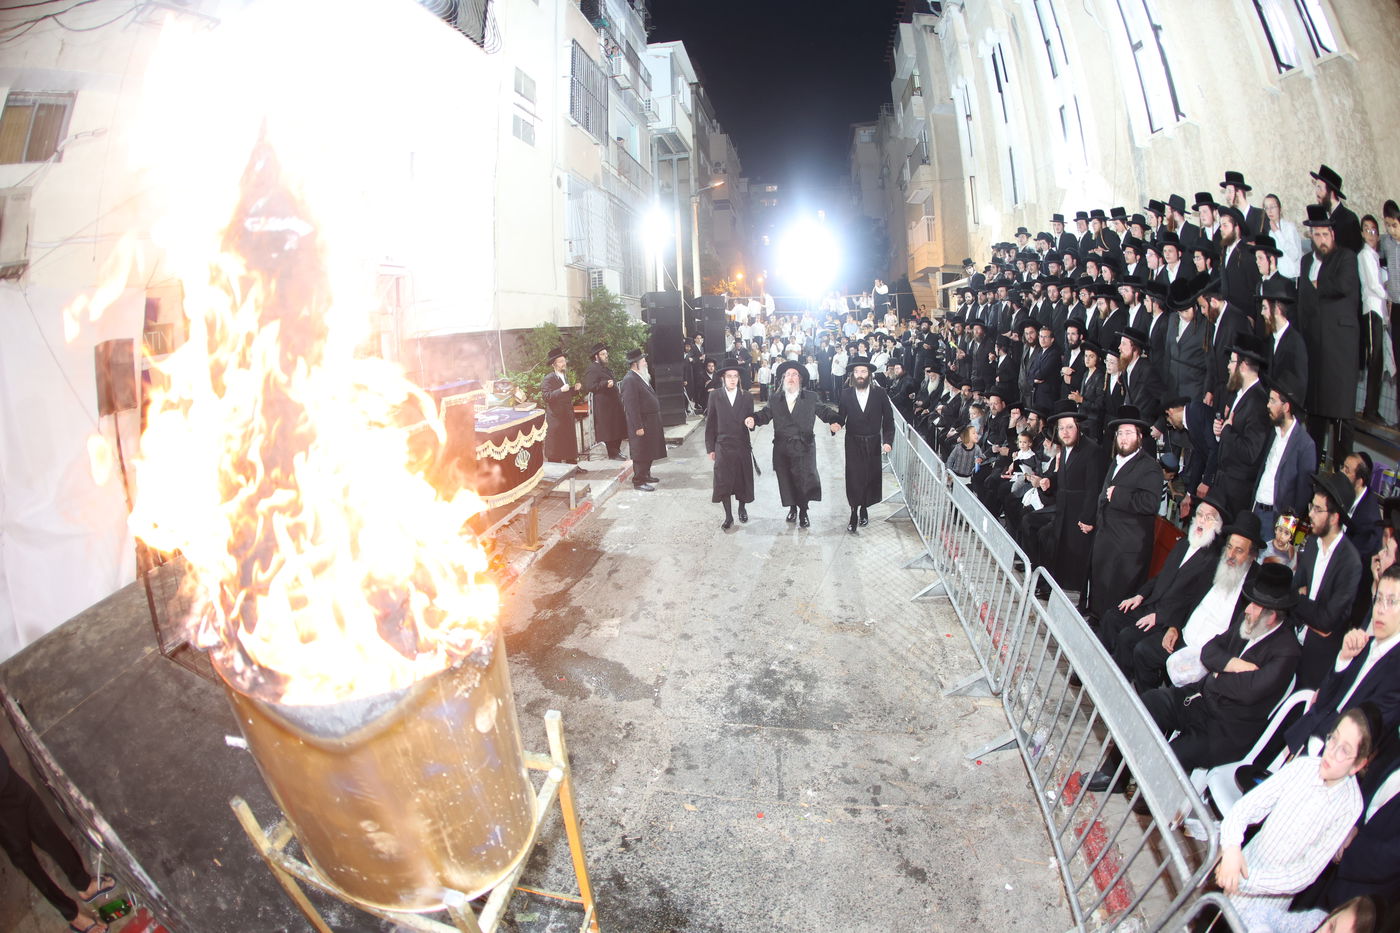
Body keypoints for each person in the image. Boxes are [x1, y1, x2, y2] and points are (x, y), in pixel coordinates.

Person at [1216, 706, 1375, 933]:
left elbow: (1303, 873)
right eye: (1333, 738)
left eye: (1344, 750)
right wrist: (1231, 848)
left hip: (1266, 904)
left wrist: (1243, 879)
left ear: (1358, 764)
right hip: (1237, 870)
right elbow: (1246, 807)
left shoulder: (1349, 807)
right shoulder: (1303, 767)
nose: (1331, 751)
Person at [1140, 561, 1302, 772]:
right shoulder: (1247, 623)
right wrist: (1231, 664)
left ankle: (1146, 800)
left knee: (1173, 756)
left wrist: (1217, 675)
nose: (1248, 609)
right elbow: (1210, 650)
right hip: (1199, 701)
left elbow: (1248, 692)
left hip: (1227, 729)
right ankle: (1116, 773)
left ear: (1271, 616)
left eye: (1255, 605)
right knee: (1149, 703)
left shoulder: (1287, 651)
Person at [1097, 493, 1225, 683]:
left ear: (1217, 525)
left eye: (1208, 518)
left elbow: (1193, 601)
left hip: (1169, 618)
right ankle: (1098, 667)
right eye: (1200, 515)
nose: (1201, 521)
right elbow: (1160, 578)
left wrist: (1162, 617)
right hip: (1151, 603)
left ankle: (1117, 683)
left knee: (1127, 636)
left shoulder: (1213, 560)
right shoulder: (1183, 543)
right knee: (1111, 617)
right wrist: (1139, 595)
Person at [0, 747, 113, 933]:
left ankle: (83, 884)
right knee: (25, 859)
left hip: (7, 777)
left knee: (47, 829)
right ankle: (72, 915)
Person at [1086, 406, 1165, 620]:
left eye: (1129, 433)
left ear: (1140, 437)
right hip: (1107, 537)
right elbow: (1104, 494)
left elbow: (1150, 503)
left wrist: (1118, 494)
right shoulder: (1117, 461)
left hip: (1127, 547)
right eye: (1120, 433)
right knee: (1100, 585)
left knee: (1117, 594)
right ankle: (1095, 617)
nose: (1123, 438)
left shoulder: (1149, 468)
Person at [1299, 203, 1361, 467]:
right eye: (1317, 236)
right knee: (1315, 417)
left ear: (1333, 235)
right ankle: (1312, 473)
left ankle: (1342, 476)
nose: (1321, 240)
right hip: (1315, 350)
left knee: (1341, 418)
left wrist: (1317, 285)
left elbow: (1344, 284)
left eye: (1325, 235)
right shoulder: (1307, 262)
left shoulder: (1346, 257)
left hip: (1338, 354)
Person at [749, 360, 839, 528]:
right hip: (782, 447)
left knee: (804, 480)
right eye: (788, 375)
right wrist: (753, 419)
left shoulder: (811, 398)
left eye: (795, 375)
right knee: (787, 480)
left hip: (804, 446)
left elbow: (824, 411)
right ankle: (792, 508)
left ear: (801, 379)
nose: (791, 378)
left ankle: (803, 511)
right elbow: (765, 414)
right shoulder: (776, 399)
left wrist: (835, 420)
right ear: (783, 379)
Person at [1294, 472, 1363, 688]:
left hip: (1318, 656)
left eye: (1317, 509)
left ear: (1334, 518)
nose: (1310, 514)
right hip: (1292, 638)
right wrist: (1308, 607)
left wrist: (1301, 601)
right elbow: (1293, 589)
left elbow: (1326, 621)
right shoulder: (1312, 542)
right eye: (1311, 506)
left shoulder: (1350, 563)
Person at [830, 356, 895, 534]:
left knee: (869, 477)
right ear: (853, 374)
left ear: (869, 374)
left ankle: (864, 507)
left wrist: (887, 441)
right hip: (853, 441)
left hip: (873, 441)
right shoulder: (846, 393)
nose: (860, 375)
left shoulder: (880, 393)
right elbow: (841, 417)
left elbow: (889, 420)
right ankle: (853, 512)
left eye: (863, 371)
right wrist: (836, 425)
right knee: (854, 477)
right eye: (857, 371)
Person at [705, 358, 756, 531]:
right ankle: (728, 516)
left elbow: (752, 420)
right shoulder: (715, 395)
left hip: (741, 444)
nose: (733, 379)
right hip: (723, 445)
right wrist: (710, 448)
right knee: (723, 480)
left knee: (742, 479)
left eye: (735, 376)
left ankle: (742, 507)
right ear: (723, 378)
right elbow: (710, 423)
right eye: (729, 376)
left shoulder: (747, 396)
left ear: (739, 378)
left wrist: (752, 423)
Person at [619, 348, 666, 492]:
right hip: (641, 422)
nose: (645, 362)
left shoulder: (640, 376)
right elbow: (631, 406)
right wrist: (638, 426)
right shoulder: (630, 379)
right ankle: (638, 480)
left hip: (651, 420)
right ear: (635, 363)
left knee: (649, 449)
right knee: (641, 452)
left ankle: (646, 475)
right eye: (643, 360)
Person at [584, 343, 626, 460]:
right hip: (604, 406)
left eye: (606, 354)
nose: (606, 356)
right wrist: (604, 384)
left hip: (613, 404)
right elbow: (589, 386)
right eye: (603, 354)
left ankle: (617, 452)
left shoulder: (604, 368)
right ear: (596, 356)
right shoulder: (592, 369)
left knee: (617, 428)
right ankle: (613, 454)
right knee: (609, 430)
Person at [541, 348, 582, 464]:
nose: (563, 364)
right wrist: (560, 390)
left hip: (566, 416)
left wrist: (575, 389)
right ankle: (557, 470)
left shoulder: (564, 376)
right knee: (556, 446)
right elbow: (546, 396)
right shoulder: (549, 378)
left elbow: (566, 394)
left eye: (564, 361)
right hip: (556, 418)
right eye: (560, 362)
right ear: (553, 364)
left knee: (568, 442)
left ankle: (572, 466)